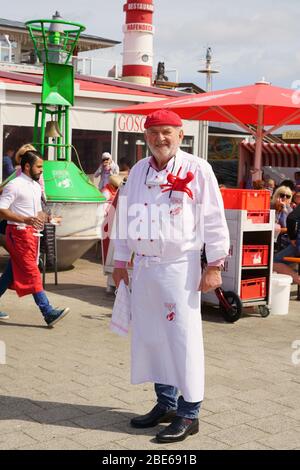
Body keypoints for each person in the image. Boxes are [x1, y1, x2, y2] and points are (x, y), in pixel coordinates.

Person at [112, 109, 230, 443]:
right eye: (153, 133)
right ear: (145, 137)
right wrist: (121, 260)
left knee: (181, 337)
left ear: (180, 135)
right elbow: (125, 216)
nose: (160, 139)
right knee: (152, 336)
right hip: (145, 267)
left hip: (180, 266)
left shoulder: (197, 169)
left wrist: (214, 266)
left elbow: (214, 219)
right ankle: (165, 402)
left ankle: (189, 412)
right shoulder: (137, 171)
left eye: (167, 132)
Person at [0, 150, 69, 325]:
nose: (41, 170)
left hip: (30, 236)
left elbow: (37, 212)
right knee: (32, 272)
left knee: (10, 274)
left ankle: (48, 312)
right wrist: (25, 219)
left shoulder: (36, 186)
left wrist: (49, 219)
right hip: (18, 234)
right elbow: (2, 209)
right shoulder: (14, 185)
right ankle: (48, 312)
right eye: (39, 166)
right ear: (27, 166)